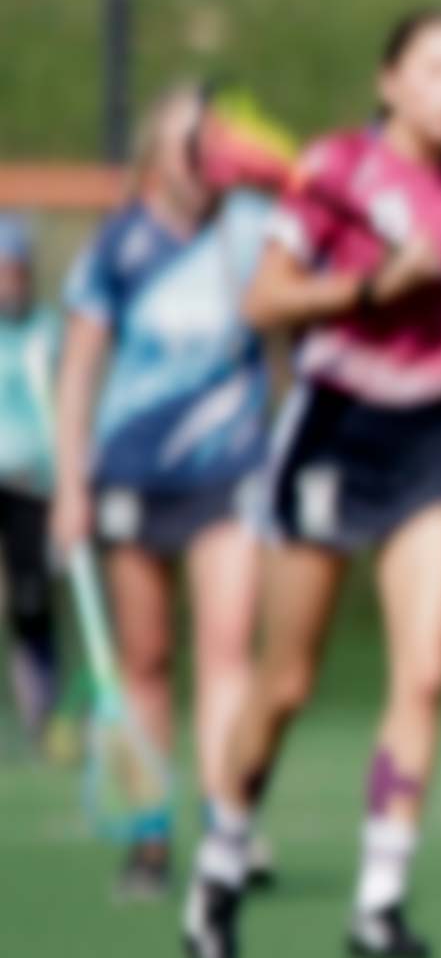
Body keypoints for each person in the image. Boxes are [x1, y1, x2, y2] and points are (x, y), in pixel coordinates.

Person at [186, 10, 441, 958]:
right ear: (392, 82)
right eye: (436, 69)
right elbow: (267, 301)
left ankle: (379, 897)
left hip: (430, 435)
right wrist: (370, 288)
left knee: (428, 670)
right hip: (335, 428)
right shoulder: (332, 172)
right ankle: (222, 860)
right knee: (286, 685)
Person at [47, 89, 290, 897]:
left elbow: (292, 315)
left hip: (229, 465)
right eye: (193, 141)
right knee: (145, 661)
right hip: (133, 471)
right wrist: (72, 484)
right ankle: (149, 837)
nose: (209, 156)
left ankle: (228, 826)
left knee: (228, 652)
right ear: (158, 154)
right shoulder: (120, 246)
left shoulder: (252, 227)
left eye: (217, 141)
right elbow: (80, 369)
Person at [0, 212, 57, 753]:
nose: (8, 282)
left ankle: (43, 714)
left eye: (14, 271)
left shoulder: (47, 330)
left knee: (31, 603)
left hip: (33, 486)